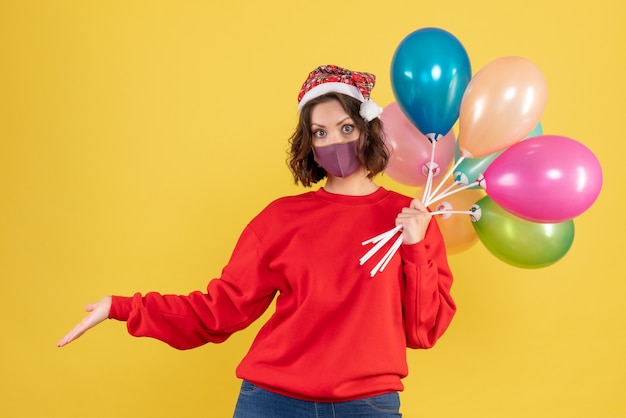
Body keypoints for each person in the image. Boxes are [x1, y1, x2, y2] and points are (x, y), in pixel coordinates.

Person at [57, 64, 456, 417]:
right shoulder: (280, 219)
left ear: (367, 130)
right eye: (320, 133)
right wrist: (121, 307)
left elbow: (424, 332)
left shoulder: (411, 218)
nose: (335, 143)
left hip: (367, 406)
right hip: (272, 402)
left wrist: (415, 246)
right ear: (311, 147)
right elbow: (218, 312)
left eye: (345, 128)